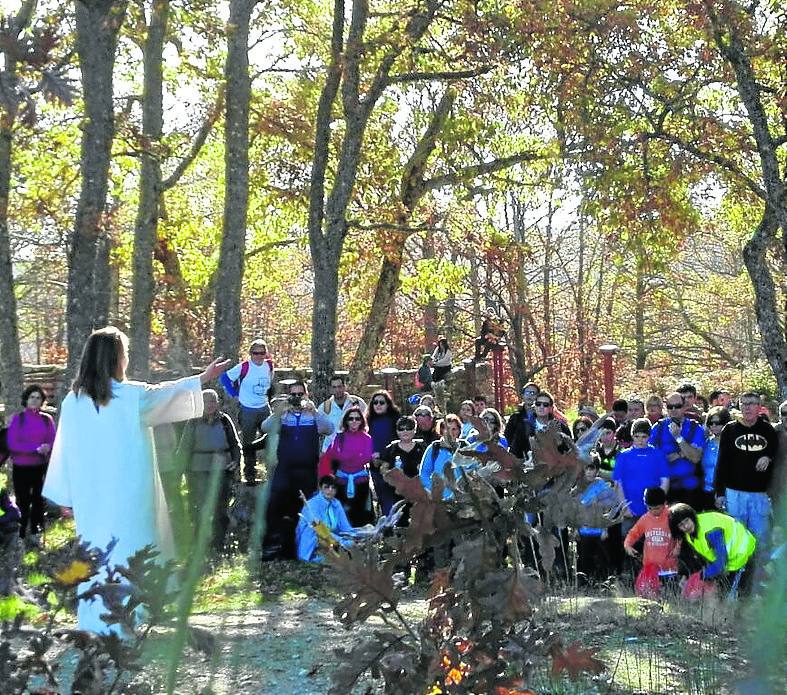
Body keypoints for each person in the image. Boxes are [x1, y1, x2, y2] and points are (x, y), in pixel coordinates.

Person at [43, 326, 229, 633]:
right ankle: (132, 616)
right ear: (116, 358)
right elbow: (167, 396)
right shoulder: (130, 398)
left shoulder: (73, 401)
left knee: (99, 552)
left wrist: (67, 496)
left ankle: (97, 618)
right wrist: (203, 378)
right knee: (132, 549)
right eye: (125, 353)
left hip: (92, 498)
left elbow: (64, 451)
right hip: (128, 495)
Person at [261, 380, 333, 559]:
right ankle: (274, 546)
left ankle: (307, 545)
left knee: (307, 508)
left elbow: (329, 428)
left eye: (300, 394)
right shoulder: (284, 416)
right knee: (275, 504)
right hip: (285, 469)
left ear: (306, 395)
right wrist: (279, 411)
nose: (297, 398)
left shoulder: (312, 415)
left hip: (307, 470)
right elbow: (265, 428)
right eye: (293, 395)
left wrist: (315, 411)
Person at [714, 391, 777, 571]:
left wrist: (768, 457)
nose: (747, 407)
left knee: (761, 539)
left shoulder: (768, 430)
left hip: (759, 494)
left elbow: (776, 454)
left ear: (759, 406)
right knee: (736, 537)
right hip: (734, 492)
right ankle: (737, 580)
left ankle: (761, 581)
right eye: (744, 403)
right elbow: (722, 462)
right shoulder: (730, 429)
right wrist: (719, 492)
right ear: (739, 406)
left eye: (752, 403)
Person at [176, 389, 241, 554]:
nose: (210, 405)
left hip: (222, 470)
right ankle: (199, 545)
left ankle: (218, 544)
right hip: (198, 471)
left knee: (221, 509)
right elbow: (184, 449)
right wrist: (179, 472)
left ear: (217, 403)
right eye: (206, 402)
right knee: (199, 509)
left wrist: (235, 461)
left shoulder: (225, 421)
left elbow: (235, 444)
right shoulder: (193, 422)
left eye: (213, 401)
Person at [669, 503, 756, 596]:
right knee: (723, 595)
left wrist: (701, 575)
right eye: (681, 525)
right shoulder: (689, 534)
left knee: (733, 599)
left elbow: (720, 563)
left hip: (743, 555)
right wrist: (689, 576)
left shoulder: (711, 531)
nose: (686, 526)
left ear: (692, 517)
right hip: (730, 560)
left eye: (686, 521)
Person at [220, 339, 274, 485]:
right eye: (255, 353)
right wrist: (234, 394)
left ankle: (271, 472)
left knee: (270, 440)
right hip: (247, 409)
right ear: (250, 353)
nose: (259, 356)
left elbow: (270, 383)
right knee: (248, 442)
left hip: (264, 408)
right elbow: (224, 378)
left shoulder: (268, 365)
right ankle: (249, 473)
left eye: (262, 353)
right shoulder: (244, 367)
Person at [7, 384, 56, 546]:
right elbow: (12, 444)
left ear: (42, 401)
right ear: (26, 400)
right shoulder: (18, 419)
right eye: (32, 397)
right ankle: (20, 532)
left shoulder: (47, 419)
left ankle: (36, 531)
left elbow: (53, 440)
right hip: (21, 467)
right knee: (22, 500)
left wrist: (47, 448)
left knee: (38, 499)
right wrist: (34, 449)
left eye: (38, 398)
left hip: (40, 466)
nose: (35, 401)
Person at [318, 406, 374, 526]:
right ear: (346, 421)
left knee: (360, 513)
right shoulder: (339, 437)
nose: (354, 421)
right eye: (351, 418)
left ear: (362, 421)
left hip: (361, 482)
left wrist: (346, 456)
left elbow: (365, 458)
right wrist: (354, 456)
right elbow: (333, 455)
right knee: (342, 514)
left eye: (357, 418)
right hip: (341, 482)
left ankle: (360, 539)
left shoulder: (366, 438)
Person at [612, 418, 669, 533]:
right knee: (629, 542)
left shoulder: (658, 455)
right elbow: (618, 484)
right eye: (637, 436)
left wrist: (656, 505)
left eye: (644, 437)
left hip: (652, 509)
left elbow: (665, 481)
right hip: (630, 508)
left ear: (649, 436)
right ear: (632, 436)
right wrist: (624, 507)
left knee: (653, 543)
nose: (640, 440)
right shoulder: (624, 456)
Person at [649, 392, 705, 506]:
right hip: (665, 487)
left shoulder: (695, 428)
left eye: (677, 406)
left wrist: (678, 438)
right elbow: (651, 458)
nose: (673, 410)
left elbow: (695, 458)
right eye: (670, 407)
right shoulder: (658, 428)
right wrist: (681, 454)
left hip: (690, 487)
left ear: (684, 407)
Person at [624, 487, 678, 595]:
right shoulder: (645, 519)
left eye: (657, 508)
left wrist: (678, 547)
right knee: (649, 596)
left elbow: (680, 534)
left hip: (670, 569)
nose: (653, 511)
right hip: (650, 569)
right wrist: (627, 545)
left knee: (670, 597)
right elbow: (633, 533)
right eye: (650, 508)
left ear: (665, 503)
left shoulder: (672, 517)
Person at [575, 460, 619, 585]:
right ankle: (584, 582)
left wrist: (605, 528)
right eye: (586, 469)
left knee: (602, 557)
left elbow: (611, 505)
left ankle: (603, 582)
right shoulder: (579, 487)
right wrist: (575, 529)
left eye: (592, 469)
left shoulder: (602, 486)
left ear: (597, 470)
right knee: (584, 557)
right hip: (584, 529)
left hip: (599, 529)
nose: (589, 472)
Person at [296, 475, 357, 562]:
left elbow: (346, 527)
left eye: (333, 488)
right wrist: (341, 541)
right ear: (320, 488)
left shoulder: (336, 504)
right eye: (326, 487)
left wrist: (355, 536)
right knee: (314, 530)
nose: (330, 490)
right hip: (313, 539)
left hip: (331, 539)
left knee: (351, 543)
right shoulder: (312, 504)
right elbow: (319, 529)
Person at [379, 416, 426, 526]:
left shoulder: (423, 447)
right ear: (397, 431)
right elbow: (383, 469)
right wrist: (391, 476)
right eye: (401, 428)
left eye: (409, 428)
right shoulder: (391, 449)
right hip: (399, 493)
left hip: (419, 491)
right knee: (400, 522)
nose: (405, 431)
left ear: (415, 430)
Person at [366, 390, 401, 516]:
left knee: (394, 497)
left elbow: (398, 442)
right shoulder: (369, 421)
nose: (378, 405)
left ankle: (396, 523)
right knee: (382, 496)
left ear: (388, 404)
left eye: (382, 402)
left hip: (391, 463)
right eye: (375, 402)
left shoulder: (395, 420)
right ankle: (387, 524)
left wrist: (383, 455)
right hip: (375, 465)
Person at [318, 374, 367, 453]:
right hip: (331, 450)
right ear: (330, 389)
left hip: (354, 449)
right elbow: (319, 428)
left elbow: (367, 420)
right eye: (334, 387)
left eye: (340, 386)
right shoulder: (324, 407)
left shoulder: (357, 402)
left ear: (345, 387)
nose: (337, 390)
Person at [419, 414, 462, 499]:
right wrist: (433, 490)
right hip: (439, 499)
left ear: (458, 430)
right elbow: (424, 474)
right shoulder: (434, 448)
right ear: (442, 430)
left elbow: (472, 470)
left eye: (454, 429)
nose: (451, 433)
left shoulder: (464, 447)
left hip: (462, 499)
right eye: (448, 429)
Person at [698, 406, 731, 511]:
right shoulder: (706, 443)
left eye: (718, 423)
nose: (714, 426)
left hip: (727, 492)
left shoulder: (732, 443)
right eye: (710, 423)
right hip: (706, 491)